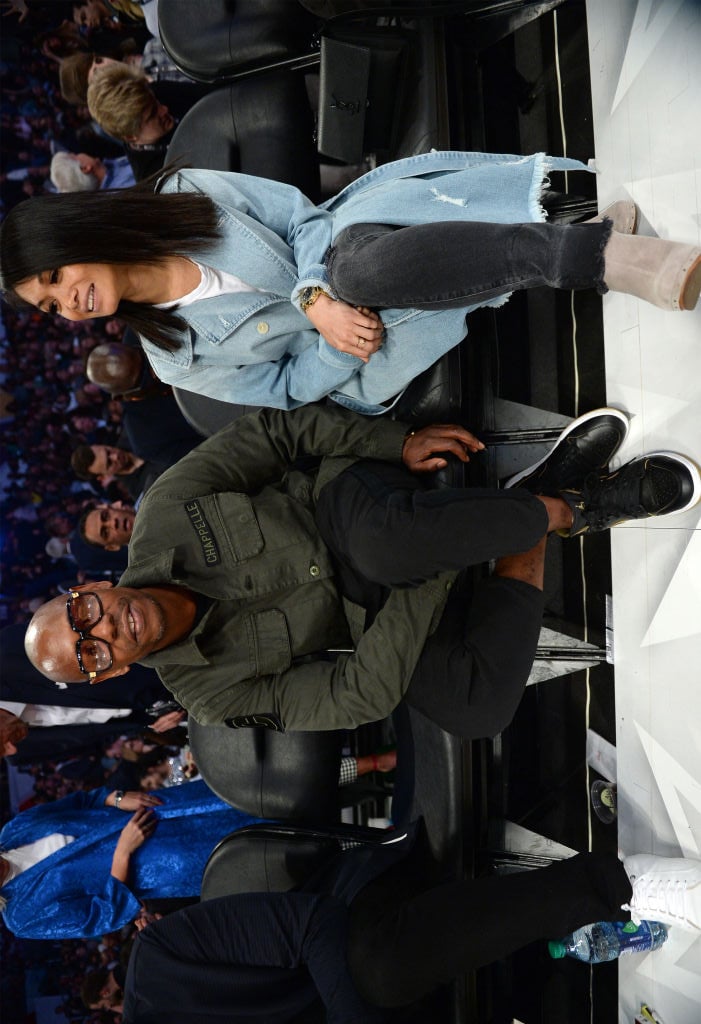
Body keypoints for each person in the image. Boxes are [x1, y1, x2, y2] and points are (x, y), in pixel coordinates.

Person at [22, 404, 700, 733]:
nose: (104, 628)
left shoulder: (162, 511)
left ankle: (575, 508)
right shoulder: (210, 697)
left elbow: (274, 435)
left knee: (386, 548)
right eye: (91, 653)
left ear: (90, 588)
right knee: (475, 708)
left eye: (84, 614)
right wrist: (427, 579)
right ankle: (537, 500)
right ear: (110, 673)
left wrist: (393, 441)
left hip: (341, 503)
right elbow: (353, 697)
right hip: (367, 605)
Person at [1, 153, 699, 415]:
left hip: (343, 243)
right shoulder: (172, 359)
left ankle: (595, 255)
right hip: (356, 349)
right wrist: (335, 338)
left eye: (56, 278)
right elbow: (285, 389)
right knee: (361, 280)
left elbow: (300, 218)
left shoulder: (182, 193)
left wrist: (314, 297)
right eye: (51, 307)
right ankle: (596, 247)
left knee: (352, 268)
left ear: (75, 236)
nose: (69, 304)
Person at [118, 821, 701, 1022]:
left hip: (358, 924)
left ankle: (624, 885)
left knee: (379, 971)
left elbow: (316, 926)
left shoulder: (159, 962)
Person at [0, 778, 262, 939]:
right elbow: (104, 915)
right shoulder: (21, 916)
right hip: (166, 862)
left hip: (157, 809)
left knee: (253, 792)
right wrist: (123, 851)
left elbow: (79, 801)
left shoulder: (12, 831)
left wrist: (116, 798)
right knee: (258, 845)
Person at [50, 149, 135, 191]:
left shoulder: (110, 168)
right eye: (75, 155)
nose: (80, 153)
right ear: (85, 168)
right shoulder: (124, 186)